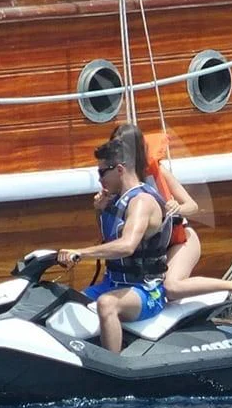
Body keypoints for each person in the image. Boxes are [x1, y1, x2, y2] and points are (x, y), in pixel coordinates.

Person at [106, 124, 232, 302]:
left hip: (180, 242)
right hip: (151, 250)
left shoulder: (157, 172)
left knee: (170, 287)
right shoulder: (113, 180)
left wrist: (177, 207)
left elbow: (192, 206)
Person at [57, 135, 172, 354]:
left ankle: (112, 367)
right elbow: (110, 239)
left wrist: (80, 253)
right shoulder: (117, 200)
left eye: (102, 172)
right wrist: (99, 211)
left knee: (106, 304)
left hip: (146, 290)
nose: (99, 179)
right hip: (115, 283)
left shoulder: (141, 202)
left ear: (119, 169)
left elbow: (127, 246)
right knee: (68, 303)